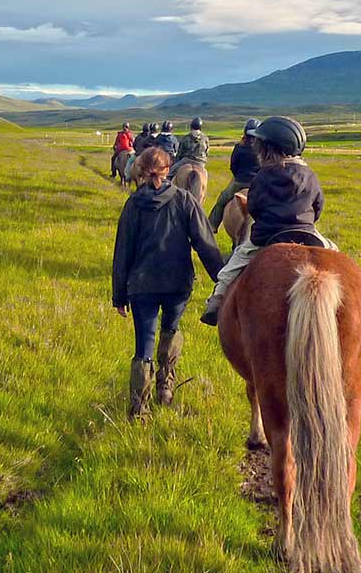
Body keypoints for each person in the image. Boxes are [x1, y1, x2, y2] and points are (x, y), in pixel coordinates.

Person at [111, 146, 224, 418]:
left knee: (144, 345)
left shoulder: (133, 205)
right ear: (168, 169)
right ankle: (166, 385)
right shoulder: (186, 200)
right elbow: (205, 244)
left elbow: (122, 251)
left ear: (139, 170)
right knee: (171, 329)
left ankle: (139, 410)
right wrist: (222, 279)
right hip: (177, 284)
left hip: (142, 286)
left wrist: (119, 296)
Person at [199, 116, 336, 327]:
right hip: (306, 232)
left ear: (268, 149)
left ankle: (216, 302)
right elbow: (318, 206)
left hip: (267, 236)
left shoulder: (264, 175)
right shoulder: (309, 174)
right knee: (336, 255)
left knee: (231, 267)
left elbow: (253, 207)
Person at [208, 118, 261, 231]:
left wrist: (238, 176)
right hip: (258, 183)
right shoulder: (261, 149)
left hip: (240, 181)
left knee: (222, 199)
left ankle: (212, 225)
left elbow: (233, 166)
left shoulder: (239, 147)